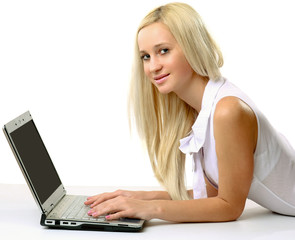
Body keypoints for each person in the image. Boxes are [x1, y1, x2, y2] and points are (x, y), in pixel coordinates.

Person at [84, 2, 295, 222]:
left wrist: (152, 210)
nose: (152, 66)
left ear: (192, 46)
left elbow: (229, 207)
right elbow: (211, 196)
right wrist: (139, 198)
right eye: (145, 56)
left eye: (163, 51)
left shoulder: (227, 110)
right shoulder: (203, 108)